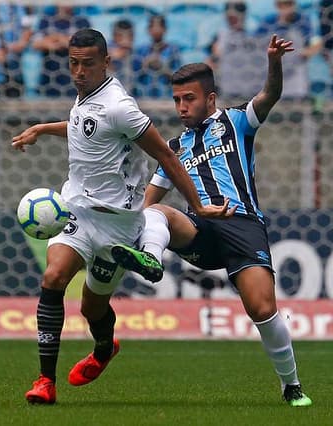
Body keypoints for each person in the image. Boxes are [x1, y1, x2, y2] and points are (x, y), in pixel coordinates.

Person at [11, 28, 232, 405]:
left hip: (118, 224)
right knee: (53, 277)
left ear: (106, 63)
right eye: (74, 64)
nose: (79, 72)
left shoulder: (120, 106)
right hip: (76, 211)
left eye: (88, 64)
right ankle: (45, 381)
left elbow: (165, 154)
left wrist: (196, 206)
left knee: (91, 307)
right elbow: (85, 132)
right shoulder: (84, 99)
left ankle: (102, 349)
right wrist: (43, 130)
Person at [112, 35, 313, 407]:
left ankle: (291, 385)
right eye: (176, 100)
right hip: (199, 229)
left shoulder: (238, 121)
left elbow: (270, 95)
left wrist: (274, 62)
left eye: (189, 99)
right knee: (156, 213)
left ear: (210, 99)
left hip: (242, 224)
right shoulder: (174, 149)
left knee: (262, 308)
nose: (181, 107)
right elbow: (149, 204)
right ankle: (151, 260)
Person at [132, 14, 181, 99]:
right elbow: (134, 75)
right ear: (148, 30)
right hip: (144, 96)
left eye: (159, 27)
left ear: (165, 29)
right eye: (153, 27)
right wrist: (145, 64)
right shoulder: (141, 51)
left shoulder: (173, 50)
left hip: (166, 96)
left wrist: (163, 67)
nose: (156, 30)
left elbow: (178, 77)